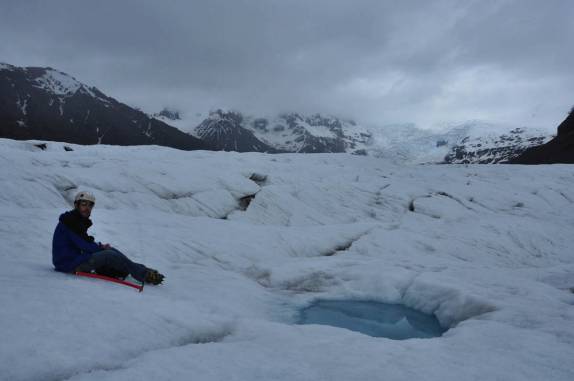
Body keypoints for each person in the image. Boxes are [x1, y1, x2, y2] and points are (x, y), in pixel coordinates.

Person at [52, 191, 164, 285]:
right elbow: (84, 245)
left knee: (111, 251)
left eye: (90, 205)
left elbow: (84, 241)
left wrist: (100, 247)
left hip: (74, 259)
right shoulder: (70, 222)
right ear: (76, 205)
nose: (87, 208)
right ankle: (144, 274)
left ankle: (142, 270)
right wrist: (100, 248)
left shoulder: (75, 220)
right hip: (69, 264)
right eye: (84, 204)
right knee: (109, 255)